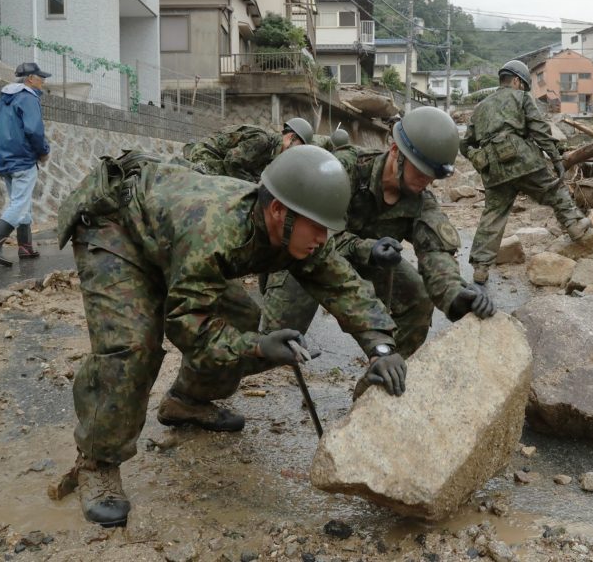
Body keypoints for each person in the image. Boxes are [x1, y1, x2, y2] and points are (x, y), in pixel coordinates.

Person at [56, 146, 396, 528]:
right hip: (117, 229)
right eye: (316, 227)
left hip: (173, 239)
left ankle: (185, 401)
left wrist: (379, 346)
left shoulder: (298, 226)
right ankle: (97, 462)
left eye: (327, 228)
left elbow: (341, 284)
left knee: (243, 319)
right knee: (131, 346)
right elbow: (187, 326)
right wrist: (256, 346)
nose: (322, 237)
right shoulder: (217, 231)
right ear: (278, 212)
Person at [263, 106, 496, 397]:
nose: (427, 182)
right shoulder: (344, 169)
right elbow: (311, 235)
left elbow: (435, 252)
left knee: (418, 300)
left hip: (370, 260)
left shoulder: (420, 199)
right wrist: (366, 249)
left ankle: (379, 384)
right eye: (421, 171)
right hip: (310, 255)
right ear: (396, 151)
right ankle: (195, 393)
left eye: (433, 176)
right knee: (272, 345)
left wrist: (456, 294)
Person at [460, 59, 592, 285]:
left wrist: (478, 157)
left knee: (493, 215)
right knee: (553, 189)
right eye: (523, 84)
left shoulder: (480, 107)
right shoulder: (521, 98)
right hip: (523, 160)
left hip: (494, 169)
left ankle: (480, 268)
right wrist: (556, 158)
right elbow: (539, 131)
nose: (522, 88)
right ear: (515, 81)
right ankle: (574, 226)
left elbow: (465, 145)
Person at [0, 62, 52, 266]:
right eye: (40, 77)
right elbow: (34, 130)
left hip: (5, 160)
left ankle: (25, 246)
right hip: (24, 159)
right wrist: (43, 151)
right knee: (20, 203)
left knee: (20, 201)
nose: (43, 81)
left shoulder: (2, 101)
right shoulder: (29, 98)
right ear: (30, 79)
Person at [182, 117, 313, 181]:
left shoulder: (273, 152)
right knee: (221, 189)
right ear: (291, 137)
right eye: (298, 148)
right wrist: (252, 184)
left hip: (220, 159)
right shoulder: (262, 141)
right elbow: (231, 161)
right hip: (208, 153)